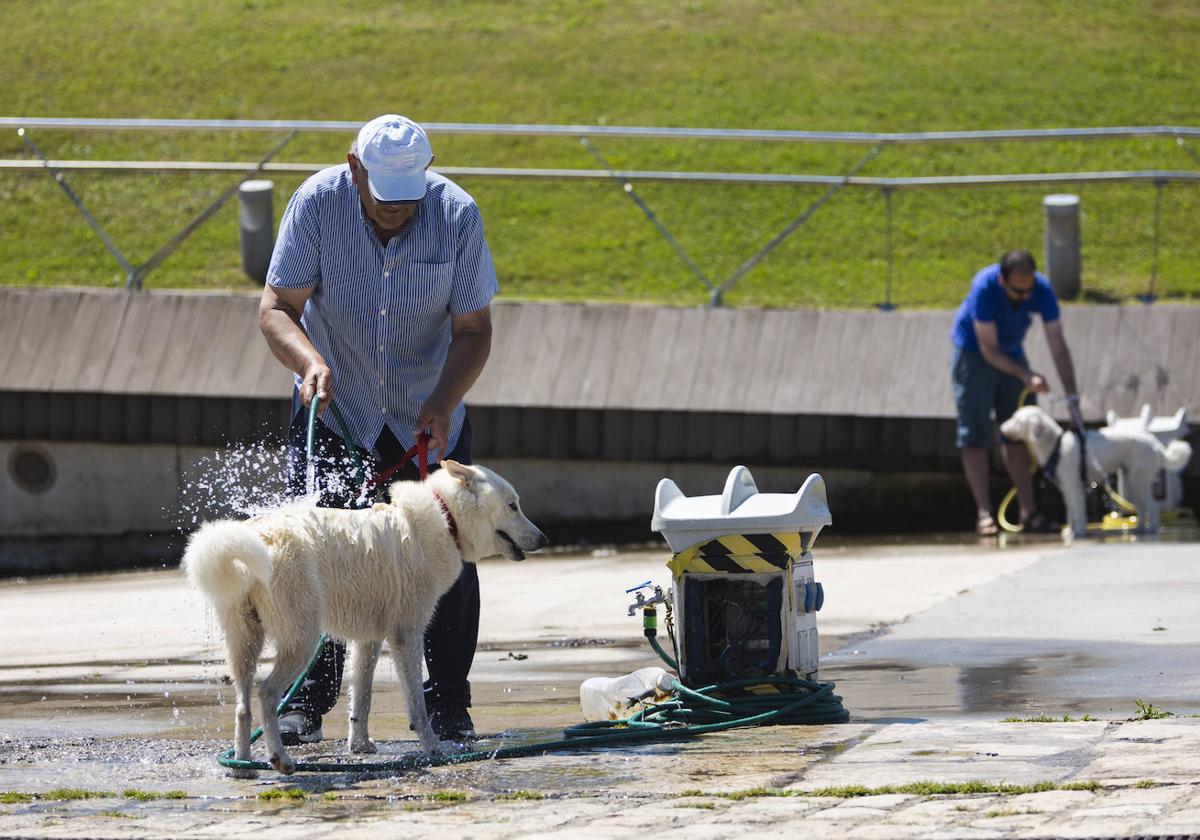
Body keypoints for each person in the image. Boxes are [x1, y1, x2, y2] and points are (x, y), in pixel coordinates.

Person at [257, 113, 498, 743]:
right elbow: (278, 308)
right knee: (316, 553)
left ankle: (448, 703)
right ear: (354, 167)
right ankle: (305, 700)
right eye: (384, 199)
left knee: (448, 557)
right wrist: (309, 361)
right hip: (339, 406)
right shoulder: (315, 204)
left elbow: (474, 330)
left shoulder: (458, 214)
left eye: (408, 199)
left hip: (430, 410)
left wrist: (445, 401)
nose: (397, 212)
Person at [949, 249, 1081, 537]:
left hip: (1010, 352)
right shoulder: (984, 287)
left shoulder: (1041, 291)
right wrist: (1026, 375)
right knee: (974, 433)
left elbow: (1058, 345)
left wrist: (1073, 398)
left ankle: (1029, 511)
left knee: (1020, 432)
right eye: (1017, 291)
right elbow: (988, 349)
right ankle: (984, 512)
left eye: (1028, 290)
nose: (1024, 297)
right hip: (974, 355)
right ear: (1002, 280)